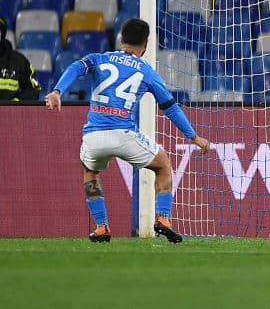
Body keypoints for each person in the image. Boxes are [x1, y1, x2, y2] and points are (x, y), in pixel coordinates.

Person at [44, 18, 210, 243]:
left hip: (93, 137)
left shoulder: (99, 59)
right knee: (163, 166)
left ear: (121, 39)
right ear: (146, 44)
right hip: (124, 134)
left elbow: (75, 67)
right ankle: (162, 218)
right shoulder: (146, 71)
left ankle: (102, 226)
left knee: (90, 172)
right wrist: (193, 136)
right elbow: (170, 108)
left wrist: (57, 91)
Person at [0, 15, 41, 102]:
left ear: (1, 34)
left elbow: (34, 89)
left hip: (10, 114)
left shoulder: (18, 60)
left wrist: (15, 103)